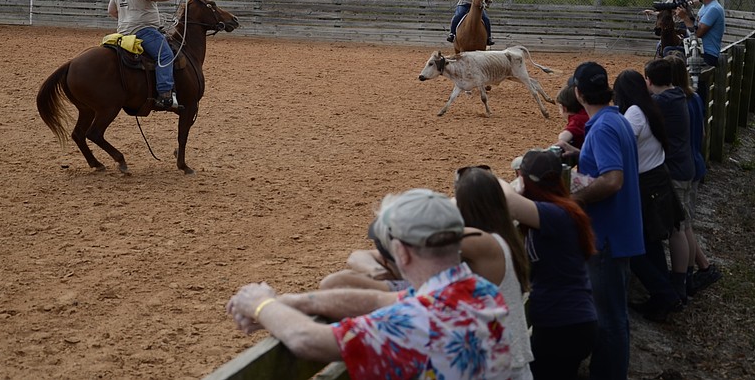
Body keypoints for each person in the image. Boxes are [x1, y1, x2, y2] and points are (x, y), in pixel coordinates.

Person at [226, 188, 512, 379]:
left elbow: (307, 340)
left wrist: (260, 304)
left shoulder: (414, 322)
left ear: (400, 251)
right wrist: (292, 302)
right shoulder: (479, 291)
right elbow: (380, 301)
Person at [556, 61, 643, 380]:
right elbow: (610, 163)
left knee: (609, 319)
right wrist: (579, 156)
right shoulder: (615, 119)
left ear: (578, 93)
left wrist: (573, 199)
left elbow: (612, 180)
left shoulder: (603, 127)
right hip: (621, 231)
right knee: (614, 314)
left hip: (606, 236)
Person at [501, 149, 598, 380]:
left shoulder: (556, 214)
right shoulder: (558, 211)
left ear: (526, 180)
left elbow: (507, 200)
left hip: (563, 325)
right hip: (566, 322)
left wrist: (492, 181)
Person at [613, 70, 686, 322]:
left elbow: (622, 141)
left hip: (646, 184)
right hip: (657, 178)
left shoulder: (634, 112)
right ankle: (662, 293)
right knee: (651, 241)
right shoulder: (648, 107)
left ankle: (664, 293)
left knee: (635, 247)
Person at [454, 165, 534, 380]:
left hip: (501, 364)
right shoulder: (505, 233)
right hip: (508, 358)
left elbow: (428, 235)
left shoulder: (484, 243)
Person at [666, 55, 722, 295]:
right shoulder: (695, 98)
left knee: (682, 226)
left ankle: (686, 278)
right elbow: (702, 134)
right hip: (695, 163)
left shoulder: (675, 103)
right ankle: (701, 269)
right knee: (686, 224)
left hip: (683, 166)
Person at [644, 59, 696, 304]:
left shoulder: (661, 102)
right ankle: (684, 279)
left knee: (677, 229)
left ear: (650, 80)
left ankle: (678, 283)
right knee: (683, 227)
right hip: (684, 166)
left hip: (674, 170)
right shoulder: (676, 95)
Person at [107, 0, 188, 110]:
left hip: (124, 33)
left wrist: (128, 18)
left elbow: (111, 10)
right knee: (165, 55)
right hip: (144, 31)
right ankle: (165, 95)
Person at [318, 222, 410, 292]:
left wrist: (381, 280)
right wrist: (378, 272)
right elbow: (358, 255)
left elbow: (333, 283)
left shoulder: (411, 291)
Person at [675, 0, 725, 68]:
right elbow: (695, 26)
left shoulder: (714, 9)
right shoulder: (706, 7)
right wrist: (688, 13)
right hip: (697, 51)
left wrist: (685, 18)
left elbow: (697, 35)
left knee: (672, 57)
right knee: (669, 49)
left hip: (707, 54)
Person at [553, 84, 589, 150]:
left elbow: (566, 135)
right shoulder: (587, 113)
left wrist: (561, 138)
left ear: (564, 109)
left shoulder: (577, 120)